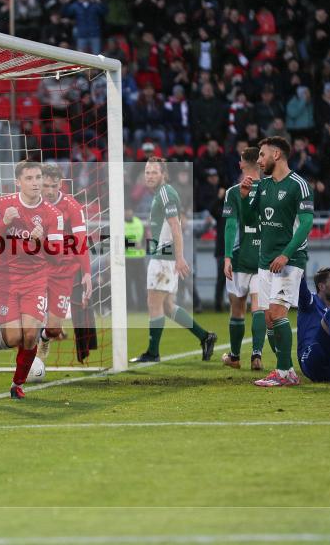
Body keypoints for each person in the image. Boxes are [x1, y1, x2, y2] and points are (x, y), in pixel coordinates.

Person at [0, 160, 64, 400]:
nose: (36, 183)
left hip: (35, 280)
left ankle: (17, 383)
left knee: (30, 335)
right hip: (6, 280)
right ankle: (24, 357)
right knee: (13, 339)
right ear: (18, 182)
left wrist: (41, 242)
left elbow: (57, 256)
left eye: (38, 178)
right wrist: (4, 222)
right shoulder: (3, 204)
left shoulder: (53, 214)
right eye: (29, 179)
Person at [240, 136, 314, 387]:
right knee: (268, 318)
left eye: (262, 155)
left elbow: (306, 224)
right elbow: (251, 219)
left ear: (277, 155)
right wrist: (245, 196)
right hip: (265, 261)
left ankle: (282, 372)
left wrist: (286, 254)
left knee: (277, 312)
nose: (258, 160)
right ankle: (288, 371)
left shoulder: (299, 185)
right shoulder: (262, 186)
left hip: (290, 260)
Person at [130, 157, 217, 363]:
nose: (149, 176)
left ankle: (153, 352)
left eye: (154, 172)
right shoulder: (162, 193)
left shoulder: (165, 193)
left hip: (164, 258)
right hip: (164, 256)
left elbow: (176, 227)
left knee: (154, 304)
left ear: (163, 174)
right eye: (147, 172)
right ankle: (205, 337)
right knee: (168, 306)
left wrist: (179, 258)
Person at [38, 164, 93, 363]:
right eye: (46, 186)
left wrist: (86, 272)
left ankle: (44, 337)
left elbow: (80, 240)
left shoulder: (72, 206)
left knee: (53, 328)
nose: (50, 191)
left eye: (54, 186)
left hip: (63, 270)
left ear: (61, 184)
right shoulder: (30, 204)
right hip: (37, 267)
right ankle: (26, 365)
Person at [222, 146, 266, 371]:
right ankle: (257, 354)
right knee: (258, 307)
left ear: (241, 164)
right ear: (260, 163)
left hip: (240, 257)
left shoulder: (233, 192)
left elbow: (231, 226)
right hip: (263, 257)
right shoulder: (270, 188)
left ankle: (235, 356)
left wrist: (227, 257)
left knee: (237, 307)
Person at [123, 206, 146, 311]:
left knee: (140, 283)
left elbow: (145, 238)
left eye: (129, 209)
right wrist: (133, 244)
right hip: (127, 258)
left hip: (139, 257)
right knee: (127, 284)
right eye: (126, 210)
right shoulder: (119, 223)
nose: (128, 212)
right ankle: (129, 306)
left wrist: (143, 245)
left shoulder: (139, 222)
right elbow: (118, 240)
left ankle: (142, 306)